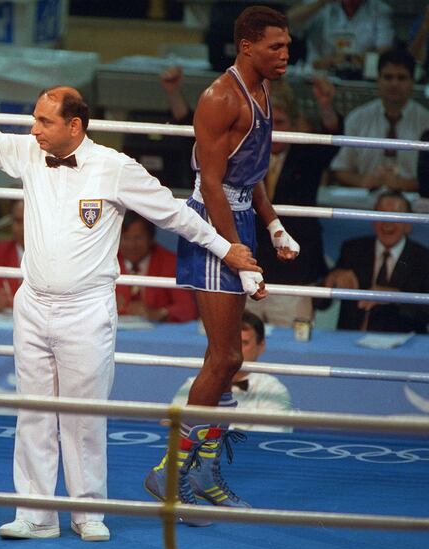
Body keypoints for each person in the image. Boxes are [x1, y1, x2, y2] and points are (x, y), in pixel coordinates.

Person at [0, 85, 260, 542]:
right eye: (34, 119)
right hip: (32, 304)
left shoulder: (114, 167)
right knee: (32, 412)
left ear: (75, 125)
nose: (33, 129)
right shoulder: (30, 153)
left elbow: (175, 215)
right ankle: (35, 513)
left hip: (86, 309)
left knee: (83, 415)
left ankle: (87, 511)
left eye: (44, 121)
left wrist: (226, 249)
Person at [144, 6, 300, 522]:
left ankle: (204, 472)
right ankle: (171, 470)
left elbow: (248, 168)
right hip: (213, 227)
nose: (285, 54)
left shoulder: (261, 91)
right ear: (247, 45)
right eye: (276, 46)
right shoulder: (219, 98)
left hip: (238, 221)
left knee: (230, 360)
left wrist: (273, 225)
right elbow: (212, 184)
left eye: (287, 45)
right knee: (223, 357)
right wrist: (236, 254)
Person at [245, 78, 340, 326]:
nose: (273, 130)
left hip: (295, 271)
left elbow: (332, 141)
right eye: (268, 123)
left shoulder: (307, 152)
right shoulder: (247, 153)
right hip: (252, 267)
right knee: (245, 343)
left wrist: (326, 106)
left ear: (296, 124)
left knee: (292, 349)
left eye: (282, 123)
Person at [318, 191, 429, 333]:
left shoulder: (423, 258)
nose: (387, 222)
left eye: (395, 215)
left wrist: (397, 297)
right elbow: (320, 304)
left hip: (403, 345)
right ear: (372, 220)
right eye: (381, 214)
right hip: (351, 343)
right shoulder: (353, 249)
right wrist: (330, 281)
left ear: (409, 224)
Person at [173, 311, 293, 433]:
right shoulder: (194, 383)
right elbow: (169, 425)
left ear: (261, 346)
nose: (235, 349)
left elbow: (270, 437)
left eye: (244, 343)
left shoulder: (274, 390)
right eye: (230, 342)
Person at [330, 49, 429, 192]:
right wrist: (362, 181)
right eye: (388, 77)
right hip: (366, 201)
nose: (394, 83)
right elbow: (340, 169)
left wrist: (406, 184)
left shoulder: (426, 121)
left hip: (412, 203)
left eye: (401, 78)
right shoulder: (357, 118)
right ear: (378, 80)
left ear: (413, 82)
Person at [116, 211, 197, 322]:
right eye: (125, 238)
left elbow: (188, 309)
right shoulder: (107, 262)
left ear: (151, 239)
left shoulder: (171, 263)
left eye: (138, 237)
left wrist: (160, 313)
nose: (132, 245)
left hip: (160, 337)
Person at [286, 0, 393, 77]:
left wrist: (351, 59)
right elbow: (288, 23)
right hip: (317, 76)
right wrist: (322, 2)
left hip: (359, 77)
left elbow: (385, 50)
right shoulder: (319, 4)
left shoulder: (379, 9)